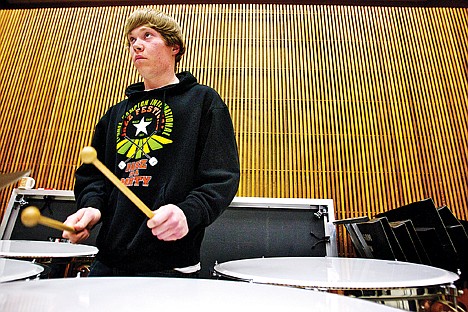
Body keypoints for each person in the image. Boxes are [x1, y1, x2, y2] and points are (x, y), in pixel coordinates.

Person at [62, 8, 240, 277]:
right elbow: (94, 177)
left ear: (174, 47)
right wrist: (91, 208)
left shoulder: (203, 102)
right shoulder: (116, 114)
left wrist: (187, 213)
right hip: (108, 262)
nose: (137, 45)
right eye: (132, 40)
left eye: (147, 35)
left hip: (172, 266)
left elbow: (220, 178)